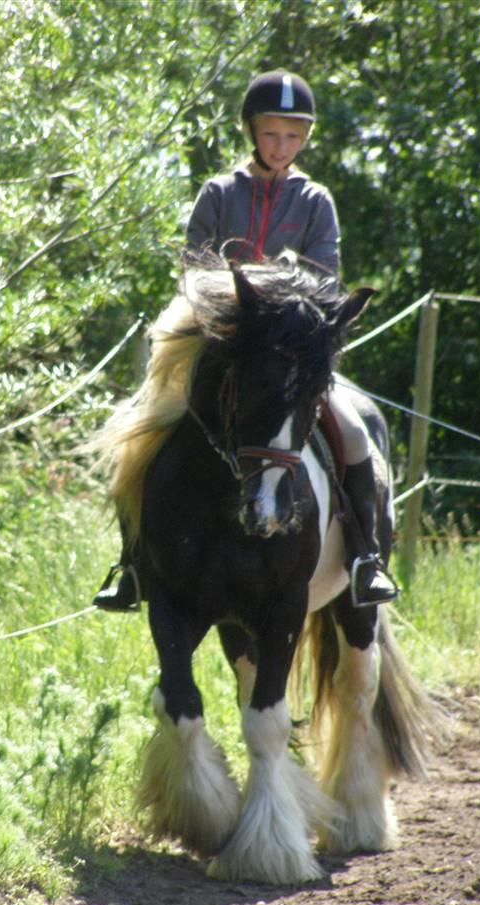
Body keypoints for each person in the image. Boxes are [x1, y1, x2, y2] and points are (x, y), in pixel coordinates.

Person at [94, 68, 397, 611]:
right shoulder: (218, 193)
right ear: (251, 132)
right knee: (138, 437)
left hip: (288, 357)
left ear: (305, 139)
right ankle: (132, 566)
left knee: (353, 433)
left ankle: (364, 558)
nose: (282, 146)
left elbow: (326, 281)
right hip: (220, 351)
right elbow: (192, 271)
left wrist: (277, 301)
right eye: (272, 134)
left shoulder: (315, 201)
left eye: (294, 136)